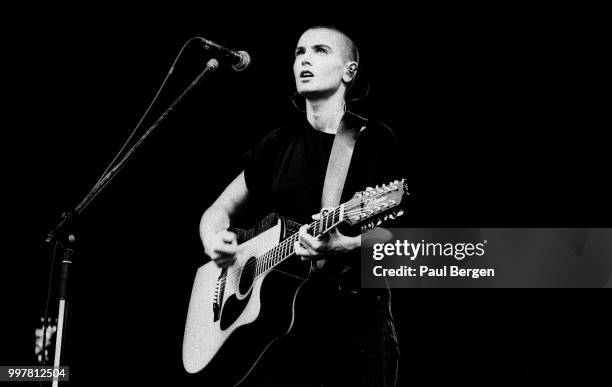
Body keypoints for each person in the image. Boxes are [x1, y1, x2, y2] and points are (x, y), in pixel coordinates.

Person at [199, 25, 406, 386]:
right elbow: (216, 213)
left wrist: (345, 245)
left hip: (353, 324)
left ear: (349, 72)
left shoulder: (371, 141)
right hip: (278, 337)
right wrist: (214, 240)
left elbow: (399, 235)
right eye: (299, 52)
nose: (305, 59)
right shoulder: (276, 145)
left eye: (320, 51)